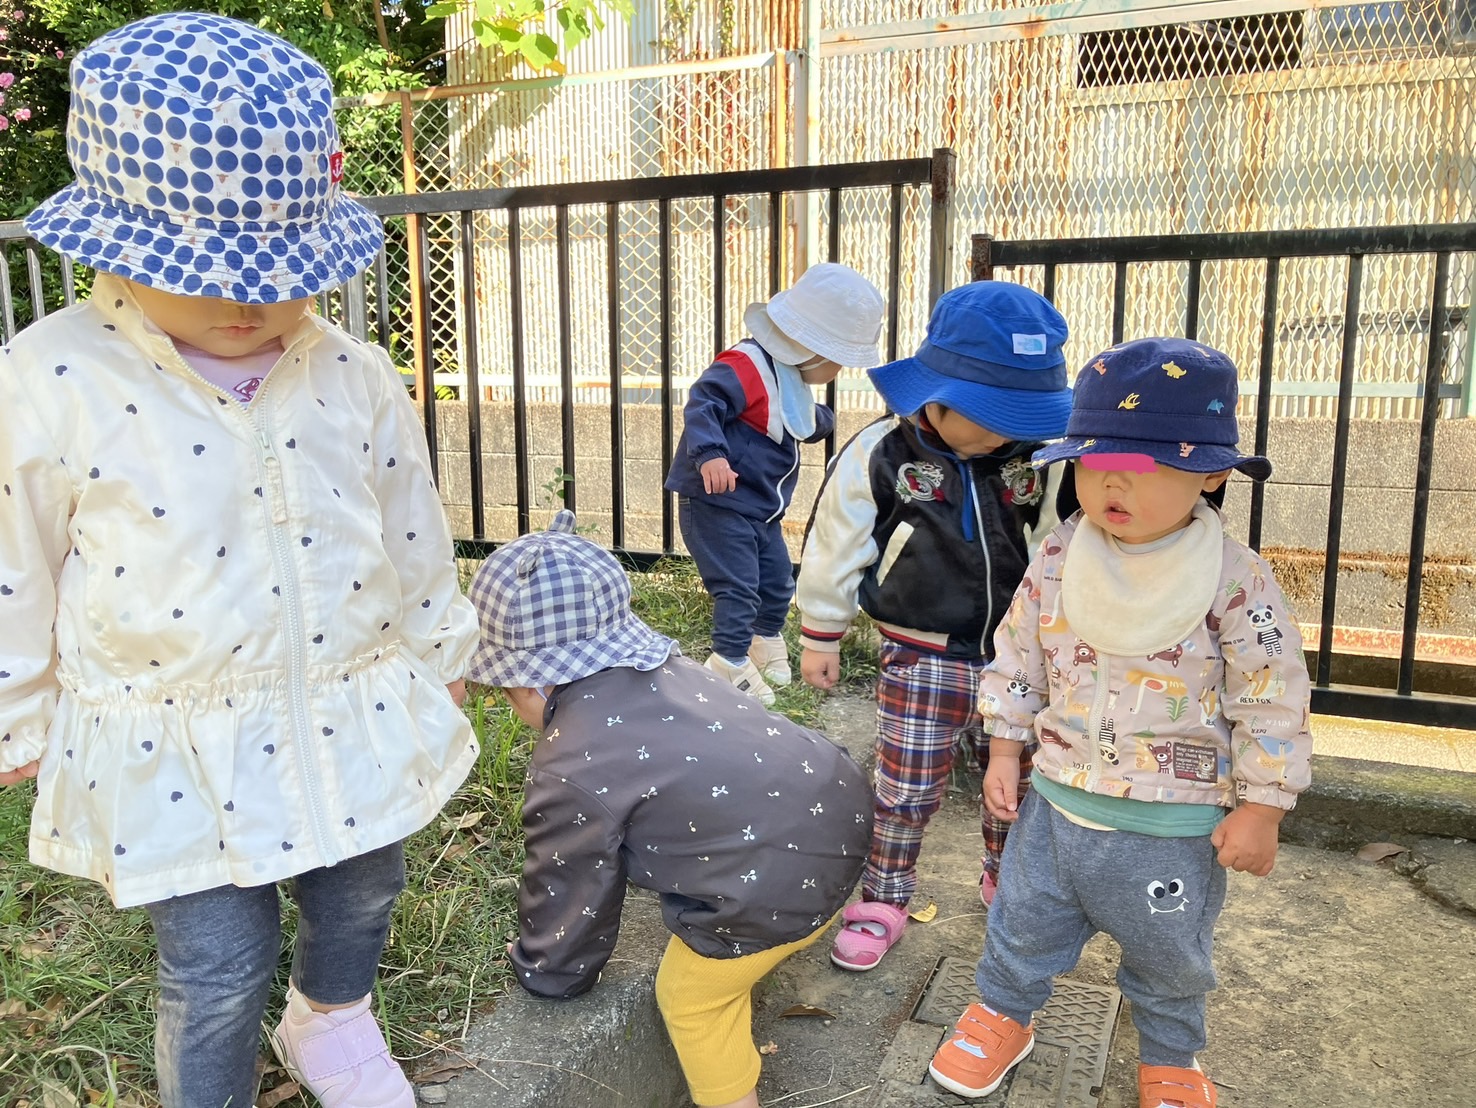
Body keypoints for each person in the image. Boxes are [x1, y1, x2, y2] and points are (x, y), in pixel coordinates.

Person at [0, 14, 480, 1107]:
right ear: (116, 245)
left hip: (345, 692)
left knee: (366, 882)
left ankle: (332, 1017)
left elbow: (407, 518)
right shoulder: (51, 376)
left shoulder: (350, 370)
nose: (248, 299)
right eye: (209, 272)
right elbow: (13, 549)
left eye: (277, 271)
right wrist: (16, 704)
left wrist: (436, 640)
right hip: (173, 723)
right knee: (216, 956)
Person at [926, 337, 1313, 1107]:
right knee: (1020, 923)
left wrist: (1264, 805)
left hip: (1172, 824)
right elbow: (1021, 651)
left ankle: (1171, 1053)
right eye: (1095, 463)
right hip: (1056, 805)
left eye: (1143, 467)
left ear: (1211, 474)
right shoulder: (1062, 554)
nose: (1112, 483)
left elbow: (1271, 692)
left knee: (1171, 955)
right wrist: (1004, 747)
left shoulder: (1235, 578)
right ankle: (1003, 1013)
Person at [466, 511, 872, 1108]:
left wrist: (549, 970)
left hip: (772, 890)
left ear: (530, 683)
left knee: (691, 1000)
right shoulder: (677, 672)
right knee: (730, 963)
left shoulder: (570, 764)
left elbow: (570, 881)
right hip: (842, 816)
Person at [795, 280, 1073, 971]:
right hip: (922, 656)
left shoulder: (1036, 457)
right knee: (906, 786)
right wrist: (821, 631)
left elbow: (1056, 545)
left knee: (1021, 784)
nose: (1009, 431)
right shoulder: (882, 453)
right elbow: (837, 542)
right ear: (936, 397)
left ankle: (1010, 882)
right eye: (995, 415)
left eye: (1024, 415)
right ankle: (884, 898)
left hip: (1021, 658)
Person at [665, 263, 885, 705]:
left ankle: (763, 641)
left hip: (760, 507)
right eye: (838, 362)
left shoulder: (787, 373)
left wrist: (821, 421)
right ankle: (728, 662)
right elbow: (703, 401)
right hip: (719, 501)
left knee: (778, 580)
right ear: (812, 348)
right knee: (739, 586)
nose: (837, 371)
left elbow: (789, 416)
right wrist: (710, 454)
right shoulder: (746, 365)